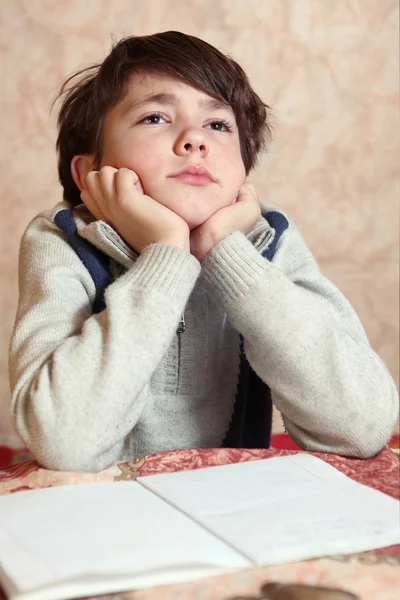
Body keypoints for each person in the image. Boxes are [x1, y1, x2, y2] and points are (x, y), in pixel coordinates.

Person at [9, 31, 398, 473]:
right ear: (91, 171)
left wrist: (227, 254)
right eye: (155, 118)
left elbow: (361, 428)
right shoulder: (63, 239)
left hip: (233, 512)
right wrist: (167, 253)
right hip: (108, 517)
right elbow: (64, 442)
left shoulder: (269, 239)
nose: (195, 140)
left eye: (218, 125)